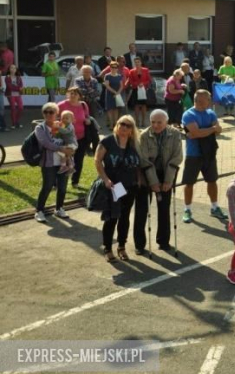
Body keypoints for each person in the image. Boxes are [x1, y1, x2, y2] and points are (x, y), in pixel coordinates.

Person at [95, 115, 141, 262]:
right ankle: (107, 248)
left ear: (131, 130)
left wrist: (139, 179)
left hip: (130, 185)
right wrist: (105, 179)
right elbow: (97, 160)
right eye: (122, 124)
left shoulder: (133, 143)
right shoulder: (108, 141)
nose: (124, 128)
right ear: (117, 124)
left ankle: (121, 246)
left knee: (124, 217)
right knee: (112, 216)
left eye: (128, 126)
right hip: (115, 185)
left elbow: (138, 163)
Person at [135, 109, 182, 254]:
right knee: (142, 210)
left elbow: (177, 157)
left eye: (159, 122)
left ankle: (163, 241)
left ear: (166, 122)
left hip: (166, 174)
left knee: (164, 208)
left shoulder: (175, 134)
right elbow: (144, 160)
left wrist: (168, 180)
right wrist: (153, 182)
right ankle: (140, 244)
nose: (155, 125)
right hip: (146, 175)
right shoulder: (143, 136)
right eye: (153, 122)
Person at [181, 89, 226, 223]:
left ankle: (214, 207)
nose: (210, 101)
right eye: (208, 99)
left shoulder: (211, 113)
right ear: (200, 100)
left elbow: (219, 130)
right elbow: (196, 133)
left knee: (212, 181)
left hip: (209, 153)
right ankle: (187, 209)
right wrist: (211, 129)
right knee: (189, 183)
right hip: (193, 154)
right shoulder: (188, 115)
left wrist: (207, 130)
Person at [33, 103, 74, 223]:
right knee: (47, 186)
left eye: (51, 112)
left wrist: (71, 148)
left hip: (64, 161)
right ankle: (39, 210)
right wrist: (61, 149)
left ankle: (59, 208)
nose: (48, 114)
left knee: (62, 187)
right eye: (46, 112)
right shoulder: (40, 128)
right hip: (48, 162)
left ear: (57, 113)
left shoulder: (63, 125)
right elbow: (45, 143)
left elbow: (72, 137)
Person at [57, 87, 91, 187]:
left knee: (79, 160)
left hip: (81, 138)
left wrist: (88, 120)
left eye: (75, 94)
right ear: (67, 94)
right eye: (71, 93)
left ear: (79, 96)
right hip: (65, 140)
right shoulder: (61, 105)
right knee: (63, 159)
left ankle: (75, 182)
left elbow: (87, 116)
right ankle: (59, 182)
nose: (73, 95)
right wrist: (62, 129)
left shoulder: (83, 105)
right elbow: (57, 120)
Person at [126, 57, 151, 128]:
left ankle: (143, 121)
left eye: (138, 62)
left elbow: (149, 80)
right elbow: (130, 81)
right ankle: (137, 121)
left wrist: (143, 83)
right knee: (136, 106)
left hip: (143, 90)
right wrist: (137, 84)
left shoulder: (146, 70)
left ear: (141, 62)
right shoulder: (131, 71)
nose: (137, 63)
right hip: (135, 90)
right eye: (135, 62)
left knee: (143, 106)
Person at [103, 62, 124, 130]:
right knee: (109, 109)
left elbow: (121, 86)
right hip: (109, 94)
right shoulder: (107, 75)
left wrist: (118, 93)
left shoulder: (119, 76)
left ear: (117, 68)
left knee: (116, 109)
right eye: (112, 67)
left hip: (117, 94)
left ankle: (115, 124)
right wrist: (115, 92)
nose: (114, 69)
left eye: (115, 67)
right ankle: (111, 124)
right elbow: (107, 86)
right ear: (110, 68)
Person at [5, 64, 23, 129]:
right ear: (9, 69)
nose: (13, 69)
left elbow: (21, 85)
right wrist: (18, 88)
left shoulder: (18, 77)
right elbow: (10, 87)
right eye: (11, 68)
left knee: (21, 107)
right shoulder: (7, 77)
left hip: (18, 94)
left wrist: (18, 88)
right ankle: (13, 123)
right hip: (10, 94)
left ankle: (17, 121)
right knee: (13, 108)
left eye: (14, 68)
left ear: (16, 70)